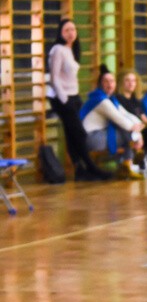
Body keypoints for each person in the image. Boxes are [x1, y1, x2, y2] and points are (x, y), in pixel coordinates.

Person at [46, 19, 112, 181]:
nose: (70, 33)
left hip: (73, 95)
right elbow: (54, 79)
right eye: (67, 30)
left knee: (71, 133)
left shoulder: (71, 49)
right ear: (61, 32)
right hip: (61, 97)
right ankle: (91, 167)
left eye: (73, 30)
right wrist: (64, 100)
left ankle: (79, 169)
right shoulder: (58, 50)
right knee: (80, 133)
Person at [80, 65, 145, 180]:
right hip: (91, 138)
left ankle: (127, 165)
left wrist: (138, 124)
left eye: (112, 81)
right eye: (106, 82)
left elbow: (126, 114)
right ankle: (128, 164)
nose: (109, 85)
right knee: (127, 131)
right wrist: (137, 134)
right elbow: (119, 118)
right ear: (100, 84)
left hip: (99, 134)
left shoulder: (111, 99)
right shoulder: (101, 101)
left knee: (127, 131)